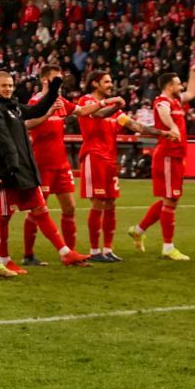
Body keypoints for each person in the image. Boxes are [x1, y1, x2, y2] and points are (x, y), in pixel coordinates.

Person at [0, 65, 91, 275]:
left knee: (41, 209)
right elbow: (2, 139)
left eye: (11, 85)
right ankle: (2, 260)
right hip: (7, 171)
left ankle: (65, 252)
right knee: (3, 216)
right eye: (4, 85)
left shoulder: (11, 105)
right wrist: (10, 166)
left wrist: (53, 91)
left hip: (24, 168)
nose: (8, 89)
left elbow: (36, 110)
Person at [73, 69, 159, 262]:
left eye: (111, 82)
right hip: (94, 157)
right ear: (95, 83)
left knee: (111, 203)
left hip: (110, 160)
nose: (111, 85)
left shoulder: (116, 109)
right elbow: (99, 114)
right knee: (98, 202)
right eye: (107, 82)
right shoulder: (86, 101)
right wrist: (114, 104)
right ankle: (95, 251)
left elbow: (135, 126)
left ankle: (108, 249)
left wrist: (162, 133)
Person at [131, 57, 195, 262]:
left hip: (176, 155)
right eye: (179, 84)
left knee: (169, 200)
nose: (182, 87)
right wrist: (172, 127)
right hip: (168, 155)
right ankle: (168, 247)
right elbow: (163, 112)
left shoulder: (176, 100)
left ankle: (138, 230)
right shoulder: (162, 101)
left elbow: (193, 92)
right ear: (170, 86)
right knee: (170, 200)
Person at [21, 65, 77, 268]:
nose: (60, 83)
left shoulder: (61, 102)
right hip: (42, 164)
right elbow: (27, 124)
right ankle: (28, 254)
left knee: (70, 207)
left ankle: (71, 252)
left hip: (61, 164)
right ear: (45, 80)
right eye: (56, 79)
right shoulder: (36, 101)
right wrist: (47, 114)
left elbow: (81, 110)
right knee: (37, 211)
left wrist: (105, 104)